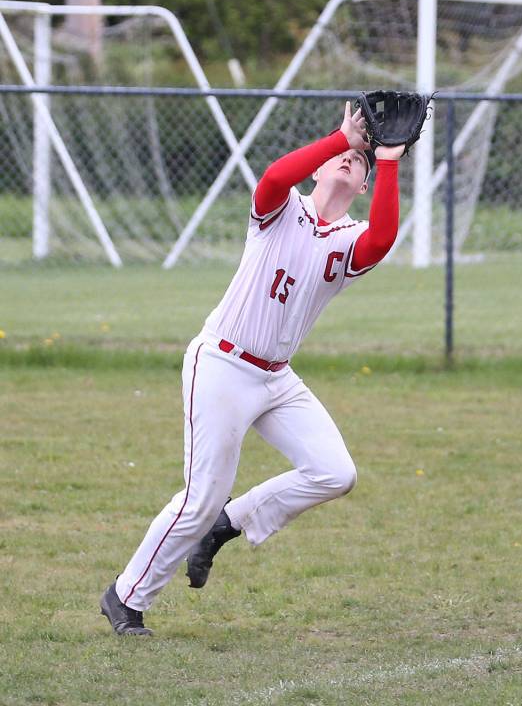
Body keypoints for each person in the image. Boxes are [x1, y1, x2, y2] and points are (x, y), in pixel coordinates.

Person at [100, 101, 405, 635]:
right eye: (345, 157)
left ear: (362, 187)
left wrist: (391, 161)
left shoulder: (349, 242)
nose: (352, 163)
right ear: (321, 165)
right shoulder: (280, 210)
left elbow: (382, 238)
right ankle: (126, 597)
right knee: (198, 497)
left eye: (361, 165)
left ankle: (228, 524)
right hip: (222, 363)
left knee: (336, 472)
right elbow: (272, 176)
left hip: (276, 379)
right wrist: (342, 137)